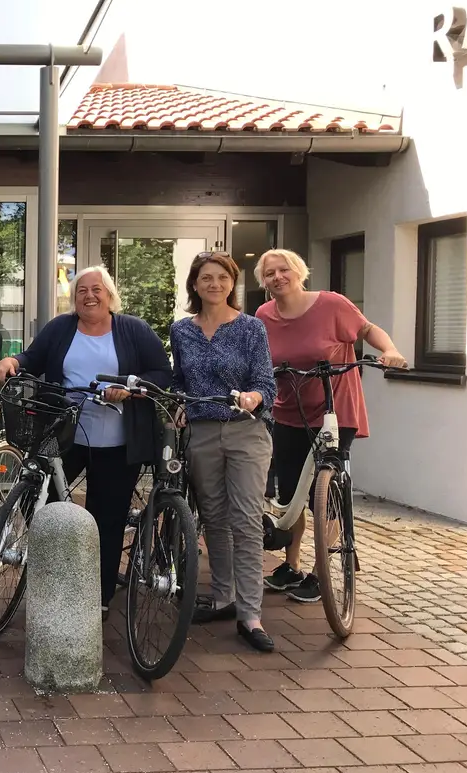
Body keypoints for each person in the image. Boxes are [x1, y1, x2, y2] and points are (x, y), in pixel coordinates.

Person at [0, 265, 173, 611]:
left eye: (96, 290)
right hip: (67, 435)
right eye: (81, 291)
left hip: (118, 443)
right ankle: (57, 573)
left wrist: (129, 386)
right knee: (38, 503)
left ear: (109, 295)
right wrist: (13, 360)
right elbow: (34, 356)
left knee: (107, 519)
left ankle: (98, 599)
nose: (89, 296)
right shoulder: (62, 327)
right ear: (74, 298)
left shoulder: (133, 329)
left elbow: (162, 372)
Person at [254, 249, 406, 604]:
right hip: (288, 412)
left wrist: (390, 350)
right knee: (291, 497)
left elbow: (368, 329)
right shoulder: (263, 315)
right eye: (270, 273)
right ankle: (290, 566)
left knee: (325, 493)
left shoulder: (332, 304)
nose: (278, 277)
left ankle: (322, 571)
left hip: (335, 411)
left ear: (299, 271)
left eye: (284, 269)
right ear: (264, 282)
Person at [169, 251, 277, 652]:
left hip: (246, 432)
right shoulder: (181, 331)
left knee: (246, 520)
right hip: (201, 431)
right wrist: (179, 402)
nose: (214, 284)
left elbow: (268, 384)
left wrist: (253, 396)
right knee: (212, 517)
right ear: (194, 285)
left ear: (233, 283)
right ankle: (222, 596)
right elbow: (180, 379)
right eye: (206, 278)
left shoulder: (252, 329)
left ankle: (250, 614)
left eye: (222, 278)